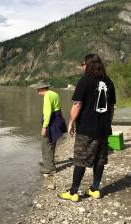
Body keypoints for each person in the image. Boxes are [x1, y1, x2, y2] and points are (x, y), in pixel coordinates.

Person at [58, 54, 116, 202]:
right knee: (100, 159)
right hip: (103, 129)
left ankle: (73, 192)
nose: (81, 66)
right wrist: (107, 124)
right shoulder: (109, 82)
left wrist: (71, 122)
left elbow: (77, 104)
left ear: (88, 65)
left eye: (82, 63)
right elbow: (111, 108)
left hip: (87, 129)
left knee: (80, 160)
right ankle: (95, 189)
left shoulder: (85, 81)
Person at [34, 80, 67, 174]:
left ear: (42, 88)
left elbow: (47, 113)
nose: (37, 91)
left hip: (52, 121)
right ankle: (48, 162)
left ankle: (49, 168)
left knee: (46, 144)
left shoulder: (47, 96)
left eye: (38, 89)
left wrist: (44, 127)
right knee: (52, 142)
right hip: (58, 119)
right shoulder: (54, 94)